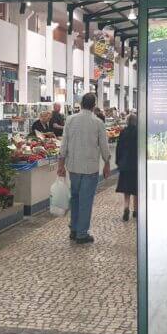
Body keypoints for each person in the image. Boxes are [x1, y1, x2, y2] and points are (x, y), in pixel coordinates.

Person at [57, 92, 110, 244]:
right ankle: (81, 233)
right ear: (94, 106)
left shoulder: (70, 120)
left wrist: (61, 164)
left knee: (75, 198)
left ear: (80, 104)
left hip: (73, 166)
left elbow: (64, 143)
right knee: (85, 200)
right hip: (90, 168)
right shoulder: (98, 122)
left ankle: (74, 228)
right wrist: (107, 163)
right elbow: (104, 146)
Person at [114, 113, 138, 221]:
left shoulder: (123, 132)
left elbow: (118, 148)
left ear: (127, 122)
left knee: (126, 188)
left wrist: (118, 162)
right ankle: (136, 210)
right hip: (136, 164)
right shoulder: (139, 132)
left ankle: (126, 207)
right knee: (136, 188)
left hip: (125, 164)